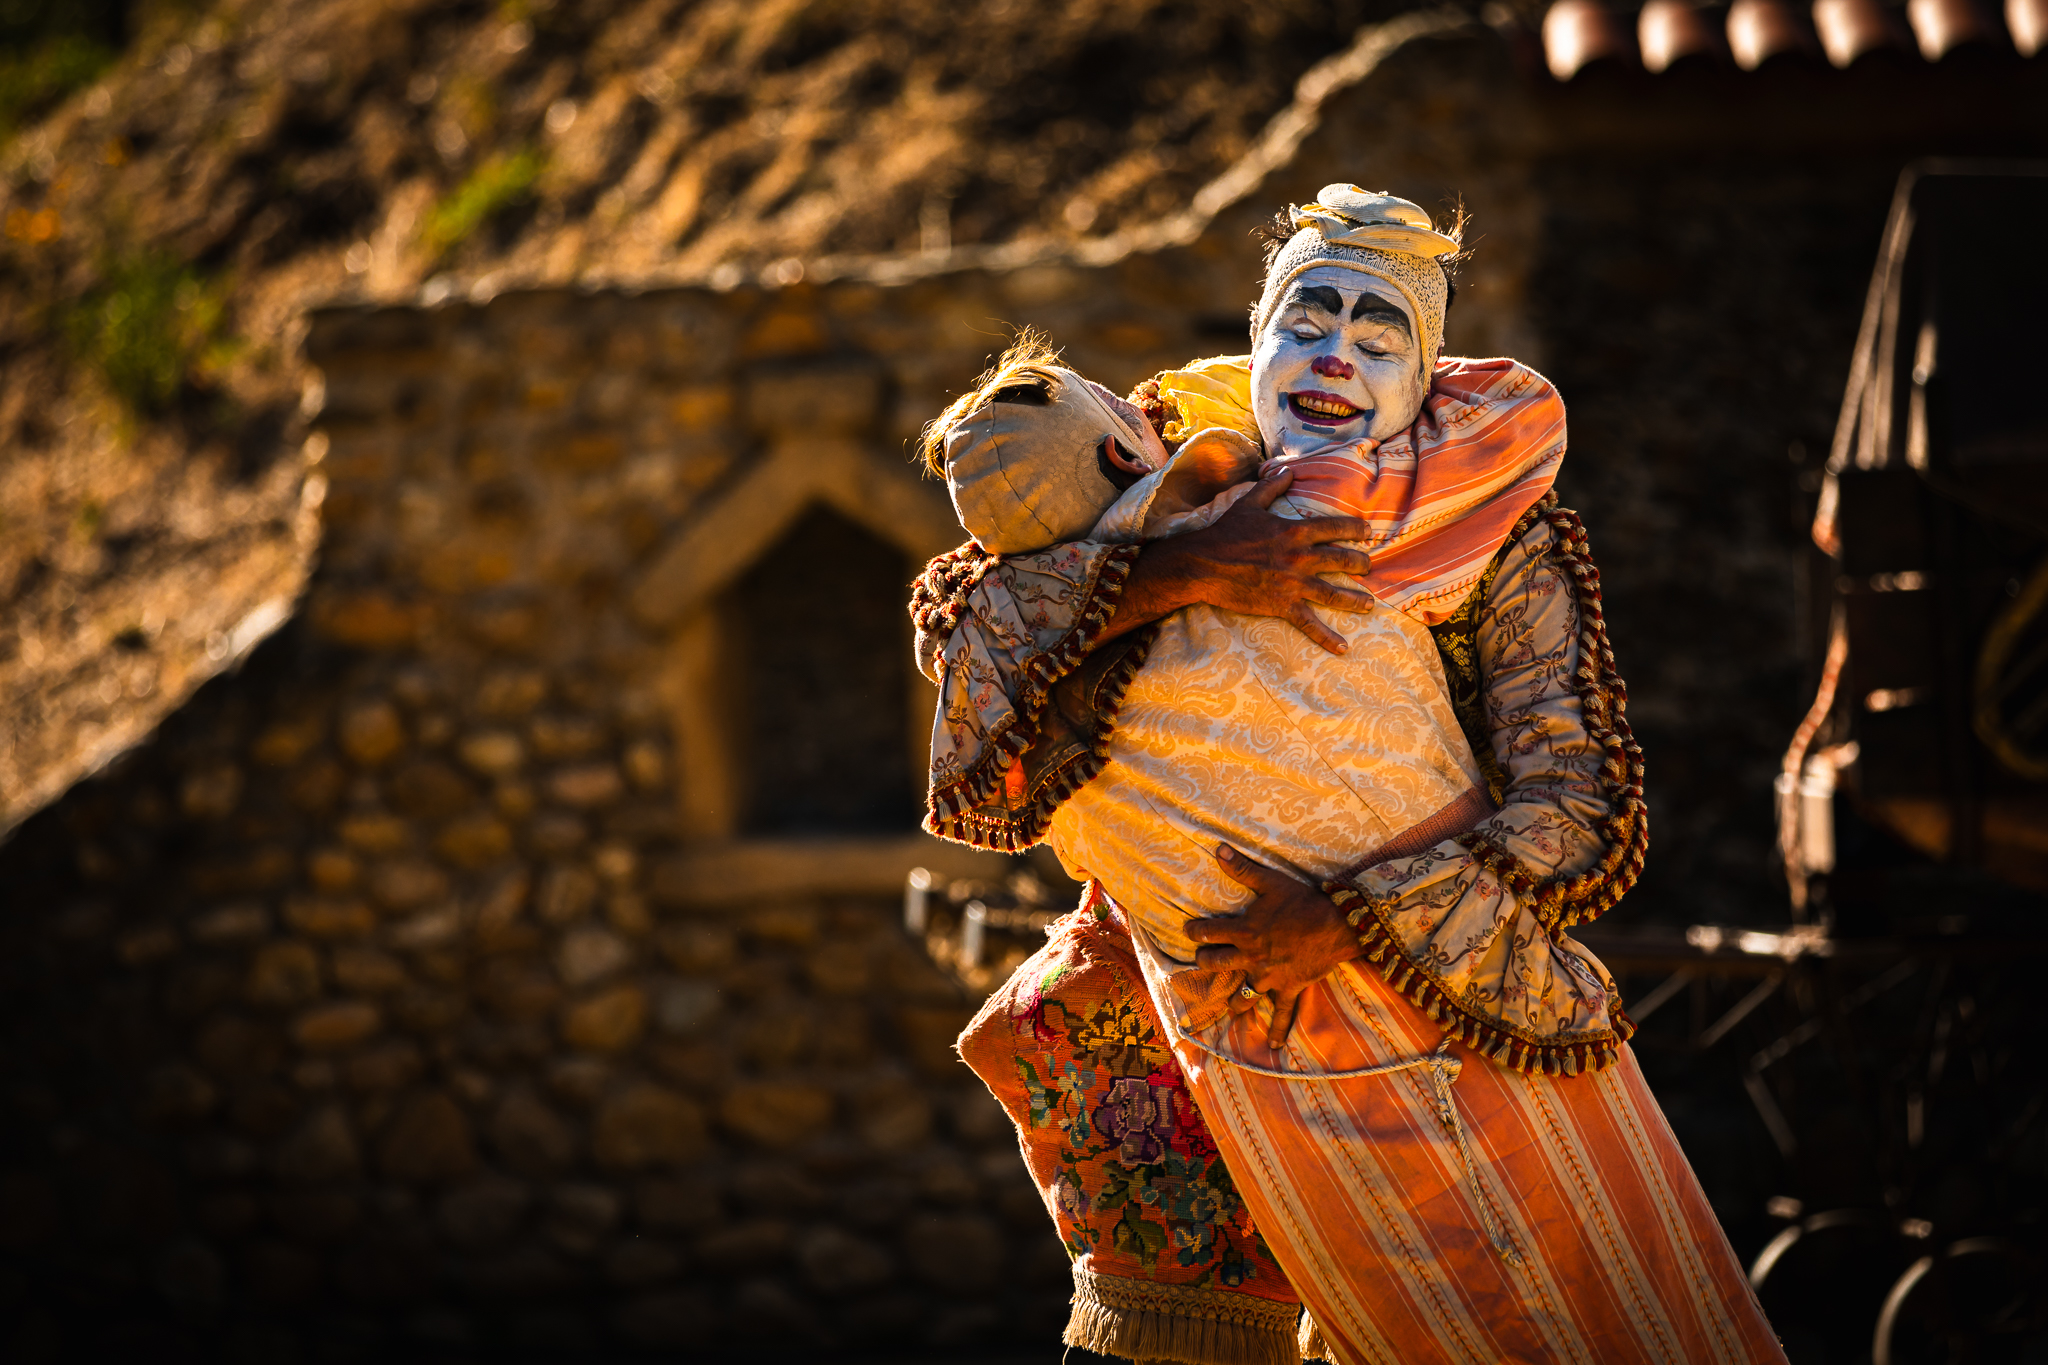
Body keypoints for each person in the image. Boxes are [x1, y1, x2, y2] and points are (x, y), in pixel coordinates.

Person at [916, 187, 1788, 1364]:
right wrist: (1190, 571)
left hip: (1448, 1035)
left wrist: (1342, 921)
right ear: (1256, 340)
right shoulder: (1159, 479)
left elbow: (1577, 815)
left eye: (1378, 342)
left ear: (1423, 379)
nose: (1332, 358)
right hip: (1198, 1053)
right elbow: (963, 639)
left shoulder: (1495, 533)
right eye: (1304, 323)